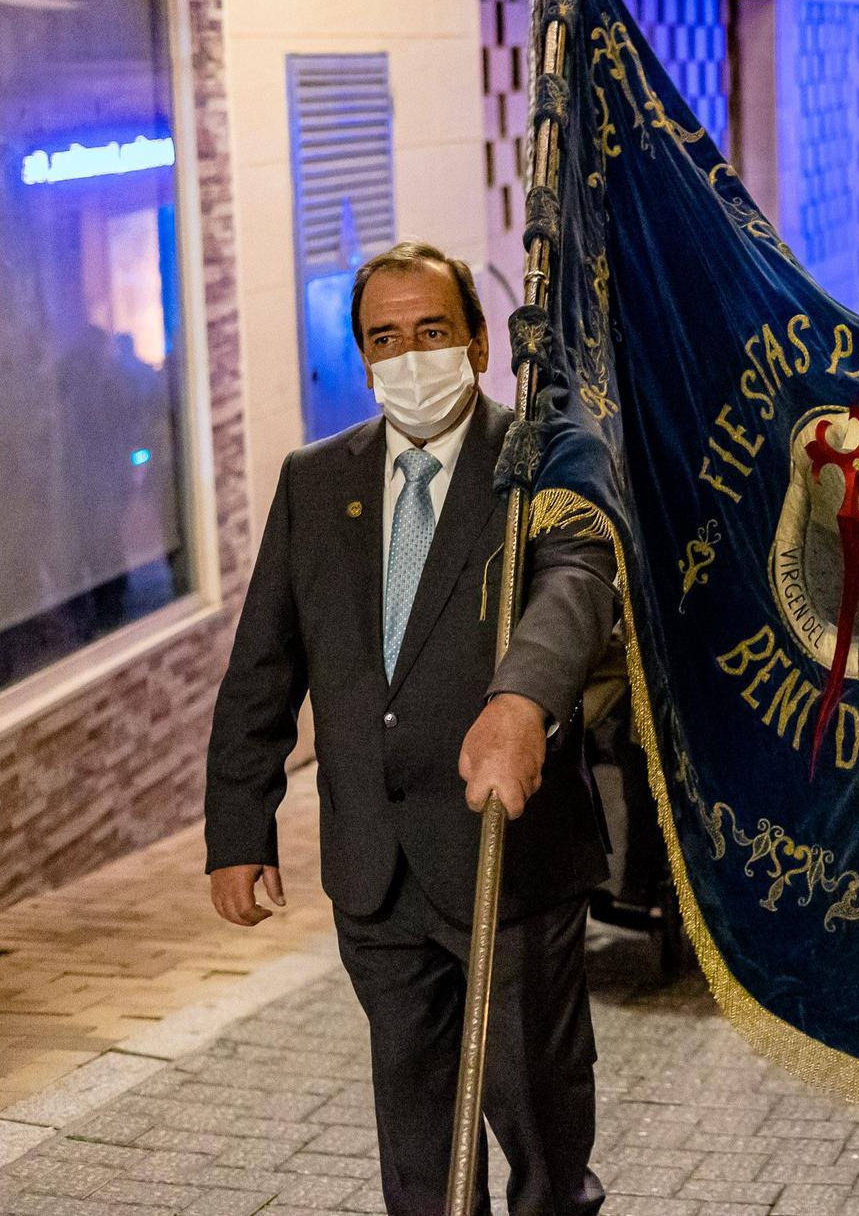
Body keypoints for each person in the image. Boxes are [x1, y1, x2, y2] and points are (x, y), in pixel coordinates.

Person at [205, 242, 615, 1216]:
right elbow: (263, 667)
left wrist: (521, 698)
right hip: (374, 873)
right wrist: (237, 832)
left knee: (543, 1143)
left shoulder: (540, 462)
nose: (409, 353)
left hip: (503, 860)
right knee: (420, 1155)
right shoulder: (314, 482)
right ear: (361, 356)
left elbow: (575, 588)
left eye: (431, 331)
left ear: (477, 342)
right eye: (384, 338)